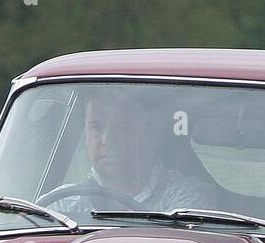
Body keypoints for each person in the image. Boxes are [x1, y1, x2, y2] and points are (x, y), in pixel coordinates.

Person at [53, 89, 217, 219]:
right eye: (96, 126)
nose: (107, 139)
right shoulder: (62, 203)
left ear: (153, 134)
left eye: (123, 127)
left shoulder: (186, 200)